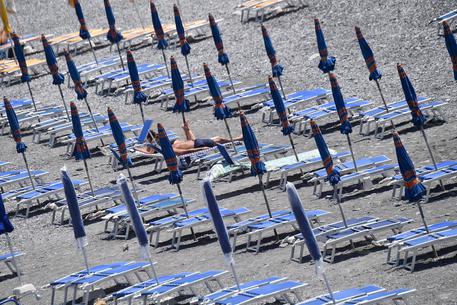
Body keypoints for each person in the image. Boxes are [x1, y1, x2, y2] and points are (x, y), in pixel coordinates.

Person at [136, 120, 242, 156]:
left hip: (196, 142)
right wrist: (200, 149)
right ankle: (237, 140)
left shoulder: (171, 145)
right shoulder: (171, 147)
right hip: (198, 144)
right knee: (218, 139)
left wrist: (187, 130)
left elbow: (150, 150)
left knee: (219, 139)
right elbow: (185, 152)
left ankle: (236, 140)